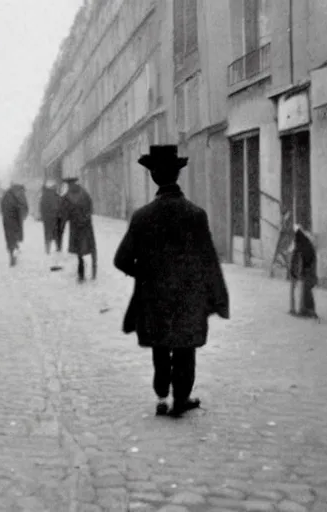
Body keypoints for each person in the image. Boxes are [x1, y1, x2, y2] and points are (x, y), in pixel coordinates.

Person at [113, 145, 229, 418]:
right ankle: (181, 398)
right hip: (189, 295)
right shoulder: (196, 214)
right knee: (185, 346)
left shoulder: (142, 217)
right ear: (177, 175)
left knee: (161, 345)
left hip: (154, 296)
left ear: (153, 177)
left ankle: (162, 395)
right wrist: (217, 298)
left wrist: (143, 274)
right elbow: (209, 260)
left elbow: (121, 260)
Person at [58, 177, 97, 281]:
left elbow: (63, 213)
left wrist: (62, 224)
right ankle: (87, 272)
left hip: (78, 227)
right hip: (84, 226)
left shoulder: (67, 197)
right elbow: (90, 207)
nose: (71, 187)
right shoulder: (83, 194)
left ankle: (85, 273)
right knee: (88, 248)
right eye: (70, 185)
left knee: (82, 250)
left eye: (71, 185)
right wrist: (86, 217)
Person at [289, 224, 319, 319]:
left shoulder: (304, 247)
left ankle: (307, 311)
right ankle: (304, 310)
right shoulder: (304, 245)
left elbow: (304, 261)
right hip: (303, 273)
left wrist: (299, 272)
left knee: (305, 291)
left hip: (306, 273)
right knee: (304, 291)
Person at [1, 183, 29, 266]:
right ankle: (14, 252)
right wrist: (23, 216)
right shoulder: (20, 194)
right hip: (16, 220)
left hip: (7, 220)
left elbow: (2, 206)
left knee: (9, 238)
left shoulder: (6, 194)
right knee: (15, 237)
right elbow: (25, 207)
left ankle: (12, 254)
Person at [39, 179, 62, 254]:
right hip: (55, 218)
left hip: (47, 219)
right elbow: (59, 206)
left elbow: (41, 207)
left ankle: (47, 250)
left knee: (47, 234)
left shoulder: (44, 197)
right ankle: (58, 248)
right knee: (56, 234)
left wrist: (43, 216)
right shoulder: (56, 196)